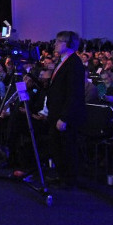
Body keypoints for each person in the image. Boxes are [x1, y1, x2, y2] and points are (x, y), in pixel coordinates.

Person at [46, 31, 86, 188]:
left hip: (65, 115)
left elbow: (74, 93)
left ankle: (69, 179)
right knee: (57, 146)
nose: (55, 44)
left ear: (69, 44)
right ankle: (62, 175)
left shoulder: (74, 63)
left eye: (59, 41)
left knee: (67, 147)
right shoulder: (62, 61)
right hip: (56, 111)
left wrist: (64, 117)